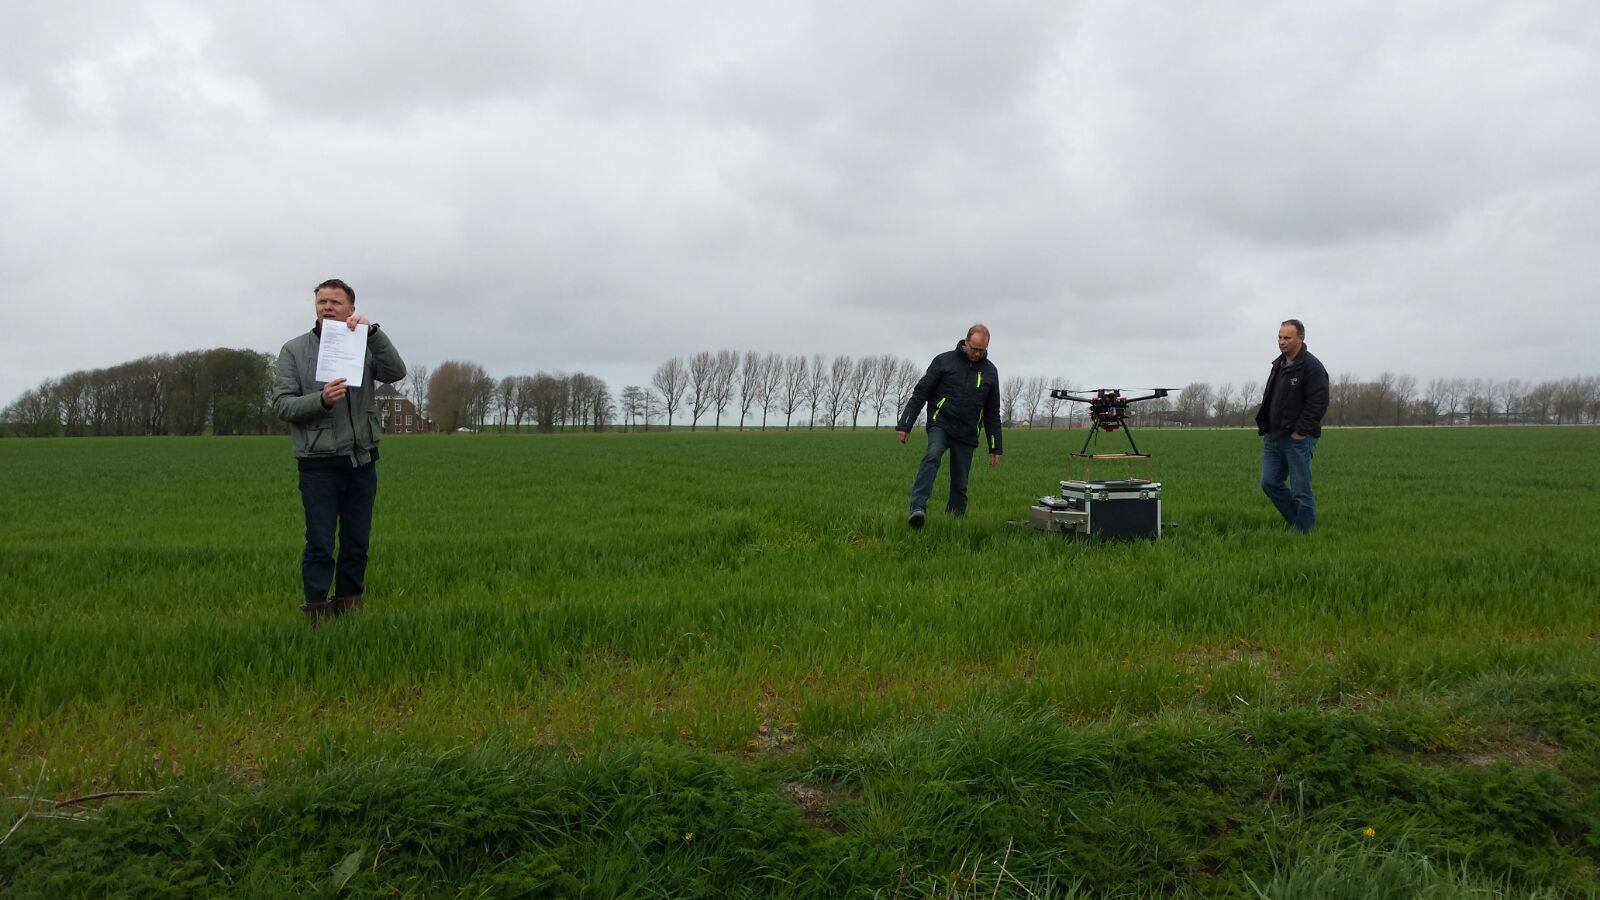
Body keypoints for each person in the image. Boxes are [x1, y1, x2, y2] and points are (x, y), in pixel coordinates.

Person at [272, 278, 407, 623]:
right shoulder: (293, 350)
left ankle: (349, 610)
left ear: (351, 308)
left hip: (362, 461)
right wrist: (321, 400)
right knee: (319, 543)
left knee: (356, 543)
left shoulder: (363, 344)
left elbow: (396, 371)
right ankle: (316, 613)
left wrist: (373, 333)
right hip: (318, 464)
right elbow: (283, 405)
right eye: (322, 302)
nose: (327, 307)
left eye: (335, 302)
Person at [895, 324, 1003, 528]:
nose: (977, 354)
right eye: (974, 348)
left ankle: (954, 522)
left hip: (968, 432)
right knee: (932, 455)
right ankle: (917, 509)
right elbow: (920, 393)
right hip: (941, 423)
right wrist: (905, 424)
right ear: (966, 342)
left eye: (982, 350)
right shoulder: (944, 361)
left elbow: (992, 412)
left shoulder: (990, 372)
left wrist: (995, 447)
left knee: (960, 481)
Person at [1254, 318, 1328, 533]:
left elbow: (1318, 403)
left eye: (1287, 338)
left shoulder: (1312, 367)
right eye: (1279, 337)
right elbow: (1270, 397)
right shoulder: (1279, 364)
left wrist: (1300, 432)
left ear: (1300, 339)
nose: (1282, 342)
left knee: (1300, 489)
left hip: (1298, 439)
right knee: (1269, 482)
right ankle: (1298, 522)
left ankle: (1304, 531)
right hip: (1274, 437)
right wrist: (1265, 425)